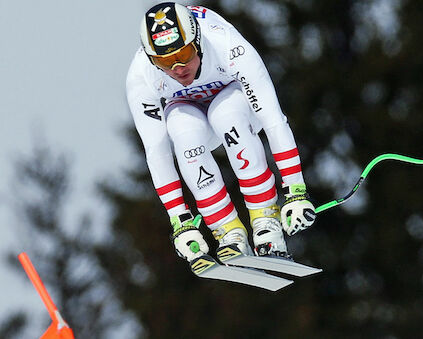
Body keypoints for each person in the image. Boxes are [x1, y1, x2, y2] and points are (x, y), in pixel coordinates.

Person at [125, 2, 316, 264]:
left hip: (236, 103)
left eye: (185, 53)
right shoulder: (141, 76)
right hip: (189, 112)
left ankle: (265, 223)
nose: (178, 67)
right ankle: (228, 233)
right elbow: (156, 152)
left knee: (226, 116)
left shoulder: (226, 44)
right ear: (151, 59)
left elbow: (273, 119)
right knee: (182, 130)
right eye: (165, 61)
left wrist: (296, 191)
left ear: (198, 41)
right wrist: (180, 222)